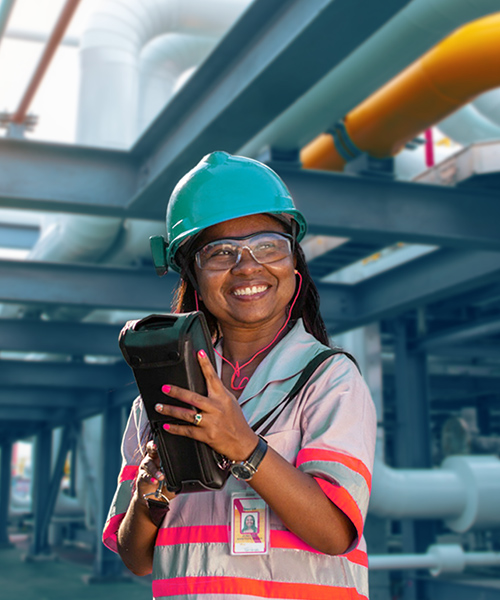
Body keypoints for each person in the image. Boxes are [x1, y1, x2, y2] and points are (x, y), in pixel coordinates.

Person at [103, 151, 377, 599]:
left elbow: (335, 533)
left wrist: (242, 446)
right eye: (221, 253)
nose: (248, 266)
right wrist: (151, 494)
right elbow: (136, 559)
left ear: (294, 262)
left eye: (268, 246)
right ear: (192, 273)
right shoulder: (162, 395)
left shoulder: (328, 380)